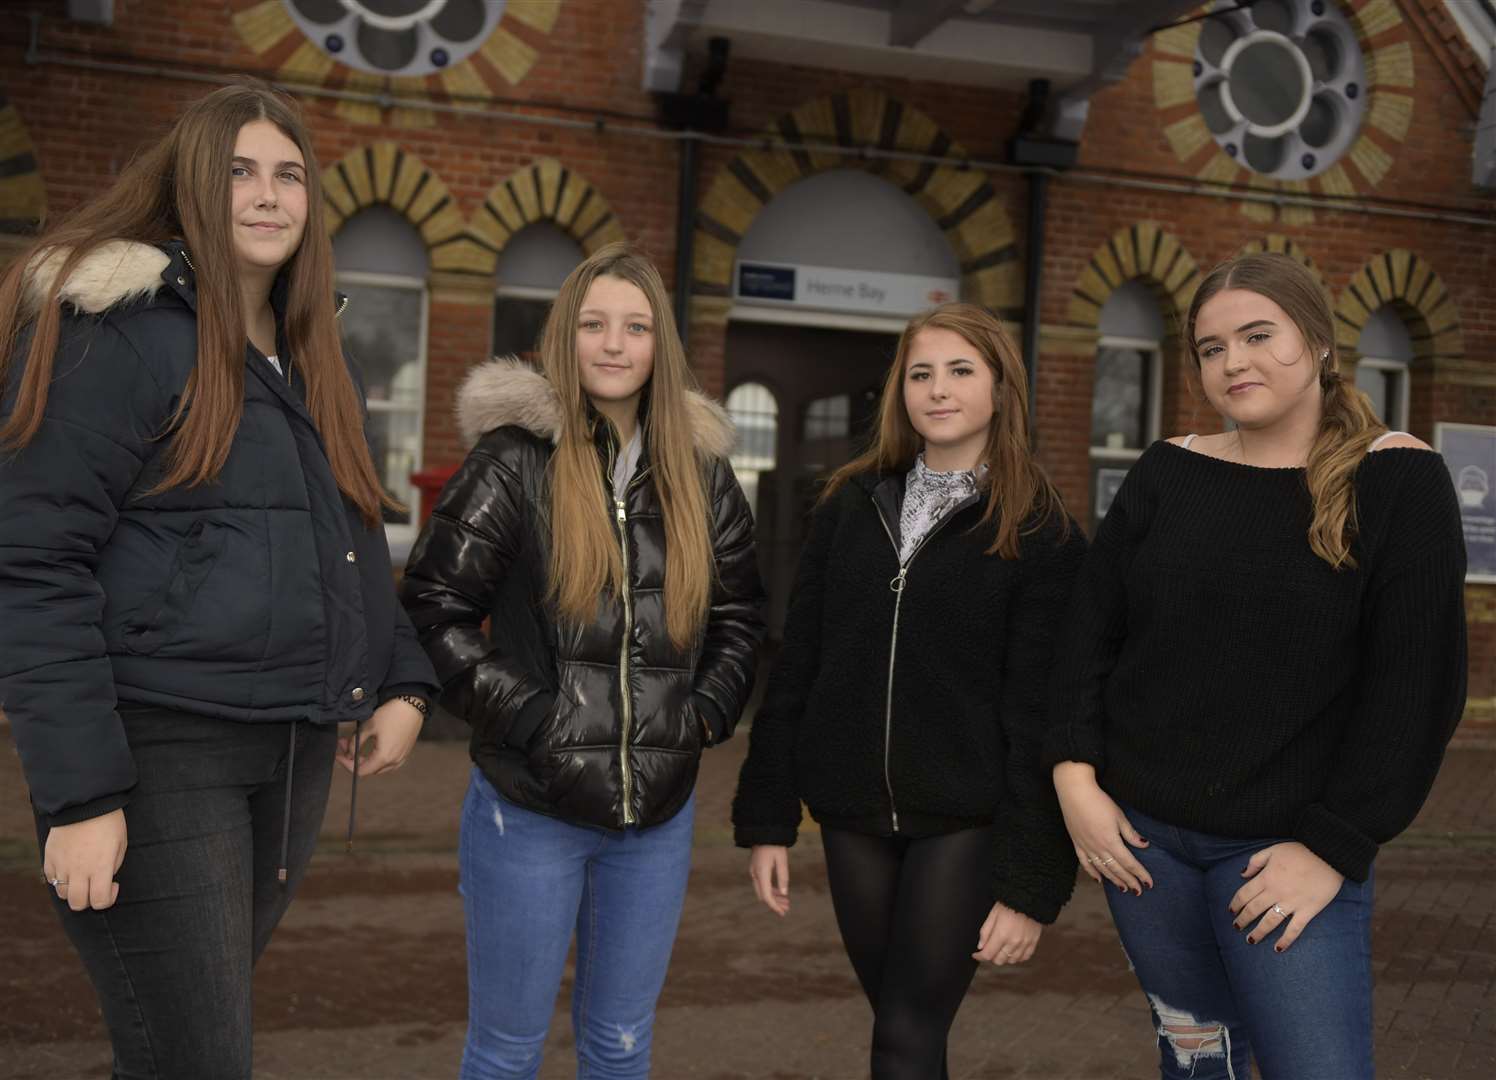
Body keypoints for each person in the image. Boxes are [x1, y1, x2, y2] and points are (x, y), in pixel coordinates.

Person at [0, 82, 440, 1078]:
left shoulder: (312, 354)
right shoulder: (113, 332)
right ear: (193, 184)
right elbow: (32, 565)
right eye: (240, 170)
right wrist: (78, 798)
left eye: (289, 174)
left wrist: (402, 675)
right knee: (198, 1060)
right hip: (159, 754)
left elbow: (352, 532)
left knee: (173, 1050)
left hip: (290, 755)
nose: (269, 193)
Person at [1046, 252, 1467, 1079]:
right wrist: (1074, 780)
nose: (1232, 362)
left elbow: (1417, 688)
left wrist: (1335, 845)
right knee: (1200, 1066)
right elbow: (1086, 635)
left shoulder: (1398, 478)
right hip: (1141, 849)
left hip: (1285, 854)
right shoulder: (1170, 469)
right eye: (1210, 348)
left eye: (1257, 335)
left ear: (1318, 343)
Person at [399, 242, 766, 1079]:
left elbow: (741, 616)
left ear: (658, 347)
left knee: (620, 1045)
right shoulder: (514, 460)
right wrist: (532, 718)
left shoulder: (702, 475)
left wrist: (702, 716)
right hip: (529, 811)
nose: (612, 343)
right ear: (564, 337)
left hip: (656, 821)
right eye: (594, 324)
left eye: (635, 327)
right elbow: (433, 606)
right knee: (506, 1050)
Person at [731, 302, 1086, 1079]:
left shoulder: (1041, 530)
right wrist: (767, 817)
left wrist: (1031, 884)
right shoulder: (851, 505)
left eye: (961, 370)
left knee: (904, 1032)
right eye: (920, 373)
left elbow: (1046, 719)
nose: (938, 389)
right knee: (900, 1021)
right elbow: (798, 666)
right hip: (852, 811)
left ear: (1001, 387)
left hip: (965, 817)